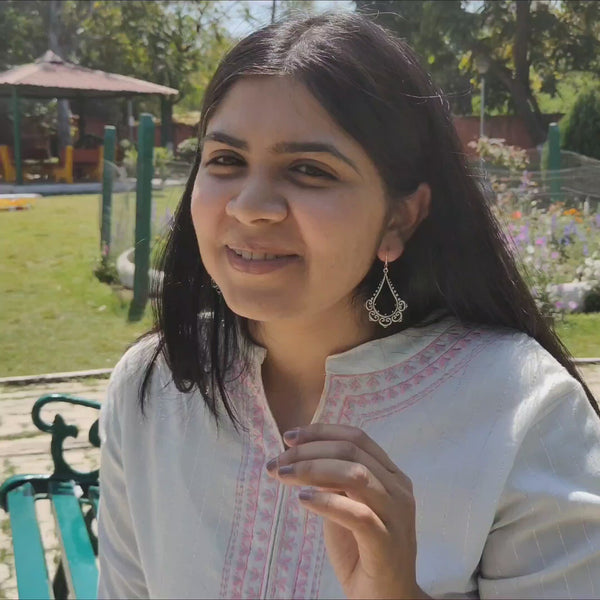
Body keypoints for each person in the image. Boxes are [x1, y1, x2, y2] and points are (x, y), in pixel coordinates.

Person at [97, 11, 600, 600]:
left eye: (309, 170)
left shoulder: (523, 411)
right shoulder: (153, 387)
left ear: (400, 218)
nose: (250, 206)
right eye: (226, 161)